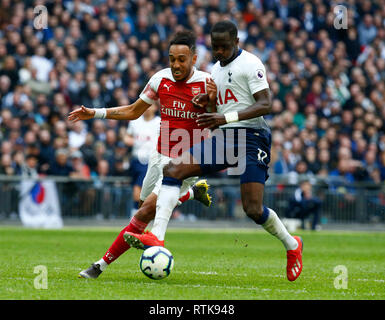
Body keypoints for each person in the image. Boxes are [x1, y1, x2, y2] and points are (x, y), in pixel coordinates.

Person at [124, 21, 303, 282]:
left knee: (253, 209)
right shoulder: (215, 72)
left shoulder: (251, 64)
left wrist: (224, 117)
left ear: (236, 42)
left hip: (252, 139)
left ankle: (292, 245)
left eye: (224, 47)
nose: (218, 52)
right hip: (226, 138)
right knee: (173, 169)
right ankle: (157, 237)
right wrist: (207, 103)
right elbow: (216, 109)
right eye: (215, 47)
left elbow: (266, 104)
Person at [68, 30, 215, 278]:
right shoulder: (159, 80)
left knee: (145, 211)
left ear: (194, 58)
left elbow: (219, 119)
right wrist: (94, 113)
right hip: (159, 156)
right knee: (145, 209)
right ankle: (191, 194)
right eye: (172, 59)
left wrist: (211, 102)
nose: (176, 64)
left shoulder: (208, 83)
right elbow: (134, 111)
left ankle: (99, 266)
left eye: (182, 59)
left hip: (187, 160)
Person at [124, 104, 161, 217]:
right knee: (139, 188)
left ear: (155, 107)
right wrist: (134, 141)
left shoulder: (159, 122)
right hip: (136, 160)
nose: (147, 108)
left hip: (151, 160)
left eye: (150, 106)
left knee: (139, 188)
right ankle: (140, 214)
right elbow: (127, 138)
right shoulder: (135, 122)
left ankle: (136, 214)